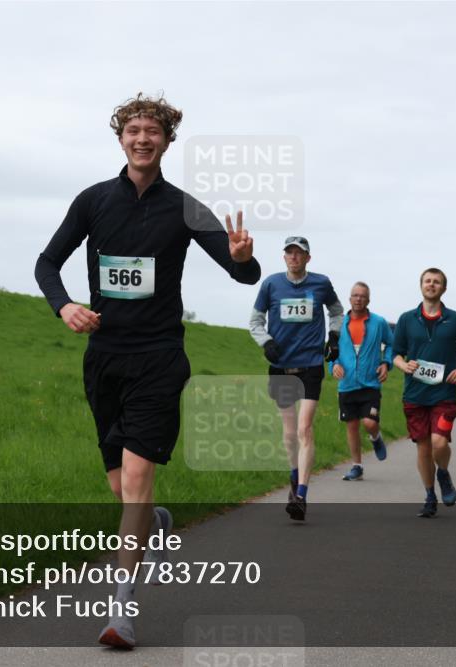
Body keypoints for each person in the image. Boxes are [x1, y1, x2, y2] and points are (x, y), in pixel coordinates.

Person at [35, 93, 261, 649]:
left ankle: (121, 611)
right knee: (123, 490)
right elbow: (46, 263)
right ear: (121, 139)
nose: (142, 138)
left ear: (166, 141)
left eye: (152, 131)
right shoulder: (92, 202)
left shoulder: (186, 208)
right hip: (105, 359)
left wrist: (241, 258)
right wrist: (64, 304)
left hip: (160, 358)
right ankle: (156, 523)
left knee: (135, 483)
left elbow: (245, 276)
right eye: (133, 129)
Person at [249, 236, 343, 520]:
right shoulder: (271, 284)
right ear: (284, 257)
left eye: (299, 253)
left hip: (311, 364)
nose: (294, 257)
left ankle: (301, 494)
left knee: (304, 430)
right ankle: (294, 473)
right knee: (290, 436)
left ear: (307, 258)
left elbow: (337, 311)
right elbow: (255, 320)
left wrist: (334, 337)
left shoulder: (321, 283)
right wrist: (266, 342)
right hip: (281, 366)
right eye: (289, 252)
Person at [392, 268, 456, 518]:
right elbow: (395, 352)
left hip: (444, 394)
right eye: (427, 281)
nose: (431, 285)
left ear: (443, 288)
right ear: (421, 285)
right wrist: (402, 365)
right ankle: (430, 496)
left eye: (437, 282)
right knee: (423, 448)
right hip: (414, 394)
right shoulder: (406, 319)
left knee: (439, 442)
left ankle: (443, 473)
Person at [329, 281, 394, 481]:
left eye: (362, 296)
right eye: (355, 295)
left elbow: (391, 344)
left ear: (368, 300)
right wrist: (334, 365)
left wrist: (386, 363)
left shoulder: (378, 322)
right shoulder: (339, 324)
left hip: (370, 383)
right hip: (347, 384)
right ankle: (357, 466)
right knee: (352, 426)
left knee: (369, 422)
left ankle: (375, 437)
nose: (358, 299)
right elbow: (332, 351)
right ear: (349, 299)